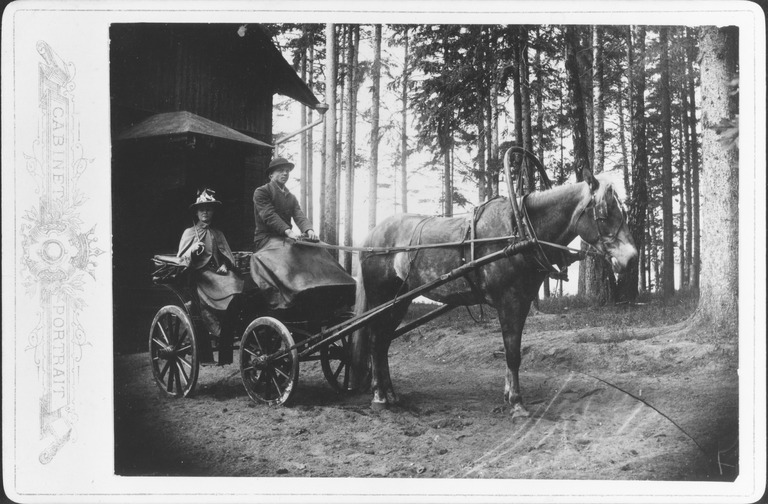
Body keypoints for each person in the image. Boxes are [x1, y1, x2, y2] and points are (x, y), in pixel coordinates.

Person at [177, 188, 243, 365]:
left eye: (209, 209)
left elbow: (227, 255)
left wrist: (224, 264)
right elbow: (181, 259)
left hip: (217, 272)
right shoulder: (190, 233)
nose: (205, 212)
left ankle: (231, 327)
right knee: (229, 287)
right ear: (197, 213)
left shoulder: (217, 233)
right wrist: (192, 250)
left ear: (213, 212)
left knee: (239, 285)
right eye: (202, 209)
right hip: (200, 276)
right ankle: (218, 327)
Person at [252, 157, 317, 251]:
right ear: (271, 175)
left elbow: (299, 215)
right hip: (266, 238)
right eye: (280, 170)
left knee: (312, 249)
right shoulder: (262, 191)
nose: (285, 173)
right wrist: (289, 232)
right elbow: (269, 215)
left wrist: (309, 230)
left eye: (287, 171)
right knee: (289, 253)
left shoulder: (291, 197)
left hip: (285, 238)